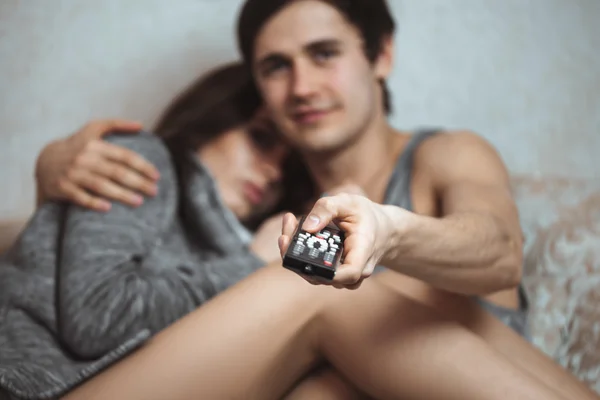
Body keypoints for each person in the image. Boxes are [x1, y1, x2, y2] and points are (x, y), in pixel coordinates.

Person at [29, 1, 598, 399]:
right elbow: (108, 276)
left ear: (381, 56)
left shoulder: (445, 155)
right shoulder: (271, 207)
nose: (301, 87)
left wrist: (392, 232)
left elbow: (499, 251)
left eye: (324, 54)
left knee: (334, 312)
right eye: (276, 67)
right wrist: (50, 173)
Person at [0, 61, 326, 400]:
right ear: (211, 118)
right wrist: (251, 264)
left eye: (289, 170)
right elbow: (98, 317)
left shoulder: (233, 240)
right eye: (261, 138)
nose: (274, 171)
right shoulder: (143, 161)